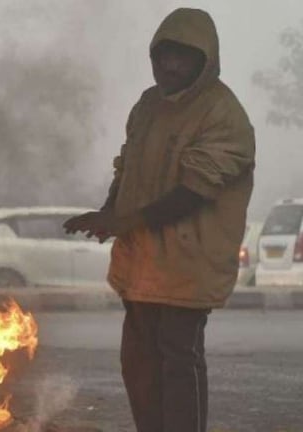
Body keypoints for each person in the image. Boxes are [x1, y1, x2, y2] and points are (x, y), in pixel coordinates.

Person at [64, 8, 254, 432]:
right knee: (138, 363)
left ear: (205, 61)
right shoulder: (148, 105)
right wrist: (108, 212)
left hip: (189, 263)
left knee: (177, 358)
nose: (169, 66)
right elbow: (126, 167)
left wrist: (125, 222)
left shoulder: (222, 112)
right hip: (142, 263)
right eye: (163, 56)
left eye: (182, 58)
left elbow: (195, 192)